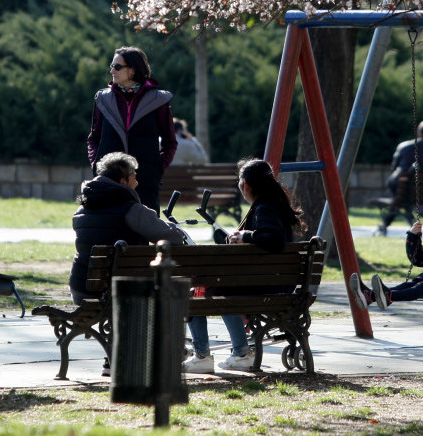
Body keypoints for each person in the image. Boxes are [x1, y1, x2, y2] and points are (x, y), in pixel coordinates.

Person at [183, 158, 306, 374]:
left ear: (246, 185)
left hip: (263, 285)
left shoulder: (264, 209)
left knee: (198, 292)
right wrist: (244, 238)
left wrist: (246, 235)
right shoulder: (274, 205)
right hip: (276, 283)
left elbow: (274, 239)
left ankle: (211, 355)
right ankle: (237, 352)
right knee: (214, 289)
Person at [69, 152, 187, 305]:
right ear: (123, 181)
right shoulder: (131, 209)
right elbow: (173, 237)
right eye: (134, 177)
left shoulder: (82, 210)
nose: (137, 183)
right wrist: (174, 228)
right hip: (119, 291)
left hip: (80, 288)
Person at [87, 46, 177, 213]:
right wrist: (96, 165)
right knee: (109, 232)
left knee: (143, 234)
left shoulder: (159, 100)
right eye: (111, 66)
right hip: (108, 180)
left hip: (145, 182)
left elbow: (170, 142)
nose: (112, 70)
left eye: (117, 66)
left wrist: (156, 169)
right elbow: (94, 138)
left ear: (133, 70)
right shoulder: (102, 99)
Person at [378, 120, 423, 234]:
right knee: (403, 199)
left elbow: (393, 169)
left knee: (401, 199)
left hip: (402, 190)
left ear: (419, 132)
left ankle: (386, 224)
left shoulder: (404, 146)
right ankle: (408, 219)